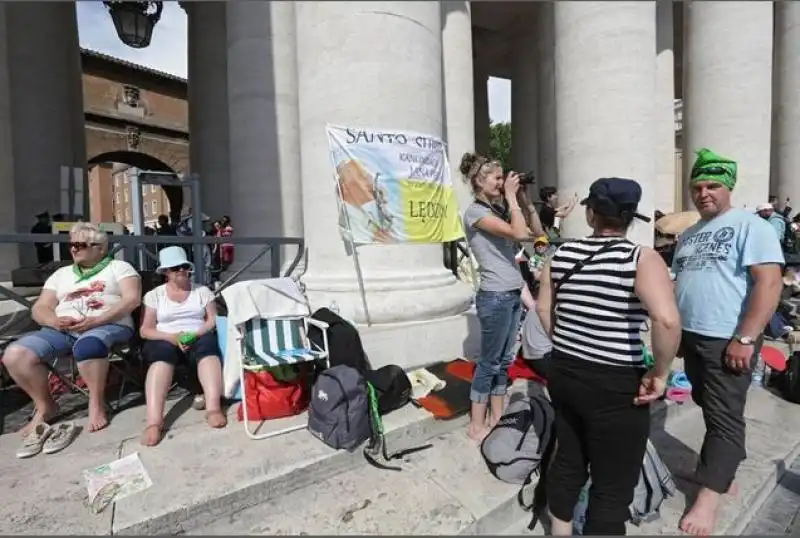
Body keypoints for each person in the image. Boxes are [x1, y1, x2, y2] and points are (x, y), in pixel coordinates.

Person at [536, 177, 681, 536]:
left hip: (566, 371)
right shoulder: (640, 258)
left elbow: (543, 310)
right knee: (613, 483)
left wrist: (568, 341)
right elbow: (665, 319)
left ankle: (560, 531)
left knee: (569, 458)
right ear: (631, 218)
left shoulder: (562, 253)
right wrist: (660, 373)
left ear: (591, 214)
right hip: (615, 383)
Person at [673, 148, 783, 536]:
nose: (704, 193)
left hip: (728, 338)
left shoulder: (752, 226)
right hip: (693, 338)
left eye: (712, 185)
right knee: (710, 408)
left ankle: (709, 499)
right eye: (698, 186)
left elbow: (769, 284)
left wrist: (747, 336)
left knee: (723, 418)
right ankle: (722, 470)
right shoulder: (688, 234)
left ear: (729, 187)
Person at [2, 223, 141, 436]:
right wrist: (53, 320)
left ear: (100, 248)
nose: (74, 249)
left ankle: (96, 403)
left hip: (109, 325)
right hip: (62, 329)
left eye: (80, 244)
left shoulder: (119, 267)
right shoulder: (61, 274)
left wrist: (97, 320)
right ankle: (45, 406)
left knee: (89, 345)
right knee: (15, 355)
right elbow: (40, 307)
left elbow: (132, 299)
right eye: (71, 245)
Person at [459, 152, 530, 441]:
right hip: (496, 296)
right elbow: (518, 233)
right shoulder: (475, 213)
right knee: (489, 362)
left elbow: (533, 232)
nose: (502, 183)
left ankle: (498, 417)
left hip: (512, 293)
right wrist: (512, 199)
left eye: (504, 178)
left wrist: (522, 201)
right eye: (497, 178)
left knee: (503, 362)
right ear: (479, 180)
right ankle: (477, 424)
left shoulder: (496, 210)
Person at [139, 246, 226, 446]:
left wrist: (193, 334)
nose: (180, 270)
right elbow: (145, 330)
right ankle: (154, 422)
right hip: (165, 336)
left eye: (184, 266)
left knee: (208, 349)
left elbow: (212, 320)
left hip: (197, 333)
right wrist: (172, 337)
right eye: (174, 268)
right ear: (166, 272)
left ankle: (213, 408)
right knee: (161, 356)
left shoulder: (202, 291)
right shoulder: (155, 295)